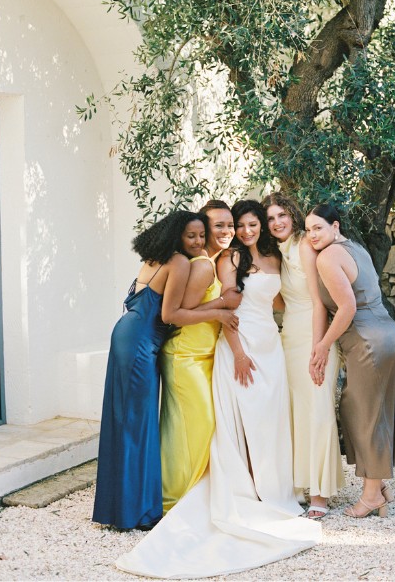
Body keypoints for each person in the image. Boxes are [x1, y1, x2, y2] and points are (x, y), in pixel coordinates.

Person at [117, 199, 319, 578]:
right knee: (230, 421)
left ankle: (274, 488)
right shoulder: (225, 261)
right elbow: (222, 308)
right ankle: (187, 494)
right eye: (235, 226)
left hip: (270, 345)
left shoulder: (274, 257)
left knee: (272, 418)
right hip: (237, 347)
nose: (243, 231)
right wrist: (238, 352)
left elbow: (273, 300)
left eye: (248, 224)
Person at [93, 210, 234, 531]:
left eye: (202, 235)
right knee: (136, 424)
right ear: (177, 237)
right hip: (140, 342)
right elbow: (171, 315)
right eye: (191, 236)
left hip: (128, 334)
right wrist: (219, 310)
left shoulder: (158, 259)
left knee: (126, 420)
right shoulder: (181, 263)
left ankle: (123, 508)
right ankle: (137, 513)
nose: (199, 242)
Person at [306, 204, 395, 519]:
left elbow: (347, 307)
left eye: (318, 228)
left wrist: (322, 346)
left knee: (365, 416)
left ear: (334, 226)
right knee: (373, 414)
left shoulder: (327, 256)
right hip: (389, 335)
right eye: (308, 230)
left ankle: (370, 497)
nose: (312, 236)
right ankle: (378, 489)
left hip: (368, 342)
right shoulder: (357, 249)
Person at [263, 191, 344, 516]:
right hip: (289, 336)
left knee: (319, 409)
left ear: (292, 215)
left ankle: (320, 495)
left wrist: (319, 348)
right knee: (296, 412)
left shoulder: (304, 246)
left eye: (281, 215)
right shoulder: (277, 252)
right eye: (270, 218)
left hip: (314, 334)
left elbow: (317, 300)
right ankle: (299, 485)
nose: (277, 222)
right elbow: (280, 300)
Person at [157, 212, 239, 514]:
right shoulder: (203, 265)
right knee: (198, 424)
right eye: (217, 226)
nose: (225, 231)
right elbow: (178, 313)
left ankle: (187, 493)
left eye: (229, 225)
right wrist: (220, 308)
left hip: (201, 356)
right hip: (185, 356)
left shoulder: (212, 261)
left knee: (187, 428)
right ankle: (174, 499)